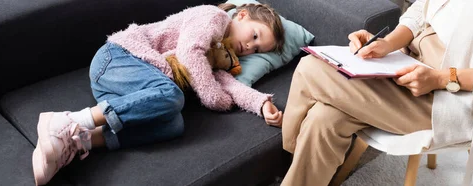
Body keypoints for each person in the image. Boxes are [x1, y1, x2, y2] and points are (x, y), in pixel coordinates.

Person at [280, 0, 473, 185]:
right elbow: (422, 10)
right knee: (322, 119)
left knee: (311, 69)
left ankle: (282, 156)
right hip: (408, 64)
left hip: (453, 97)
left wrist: (443, 79)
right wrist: (388, 44)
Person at [31, 3, 285, 185]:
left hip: (127, 90)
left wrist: (261, 104)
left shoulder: (222, 57)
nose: (251, 46)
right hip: (117, 58)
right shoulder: (213, 17)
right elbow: (190, 52)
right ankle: (69, 121)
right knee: (173, 96)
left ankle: (79, 141)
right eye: (255, 35)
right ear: (241, 15)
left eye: (257, 49)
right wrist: (213, 98)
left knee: (174, 124)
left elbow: (228, 84)